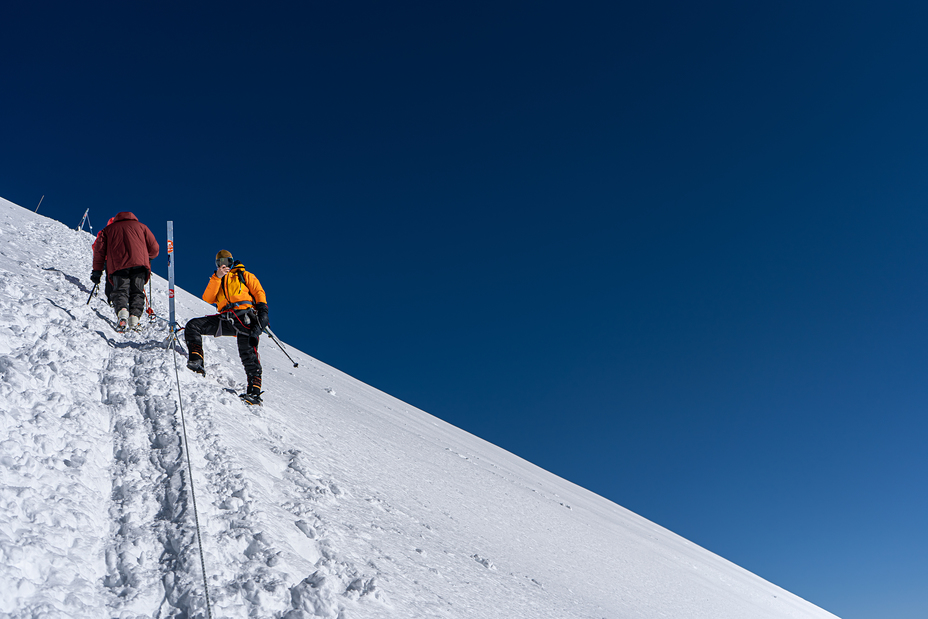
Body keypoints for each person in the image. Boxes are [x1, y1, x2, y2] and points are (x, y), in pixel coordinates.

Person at [185, 250, 269, 405]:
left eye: (226, 261)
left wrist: (263, 312)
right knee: (193, 326)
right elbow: (208, 298)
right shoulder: (218, 279)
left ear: (232, 261)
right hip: (226, 318)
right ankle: (196, 361)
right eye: (219, 262)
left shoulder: (244, 276)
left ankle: (254, 393)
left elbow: (258, 292)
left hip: (245, 318)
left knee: (248, 353)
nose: (223, 265)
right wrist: (217, 277)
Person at [91, 212, 159, 331]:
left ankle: (122, 313)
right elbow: (154, 248)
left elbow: (99, 251)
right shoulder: (142, 227)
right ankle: (134, 318)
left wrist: (97, 271)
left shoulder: (107, 230)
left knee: (120, 290)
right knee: (137, 291)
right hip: (139, 265)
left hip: (118, 265)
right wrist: (148, 257)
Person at [91, 217, 116, 305]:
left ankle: (110, 296)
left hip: (103, 258)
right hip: (113, 260)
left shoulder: (103, 232)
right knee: (111, 278)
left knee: (106, 276)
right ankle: (112, 298)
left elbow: (96, 246)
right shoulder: (120, 234)